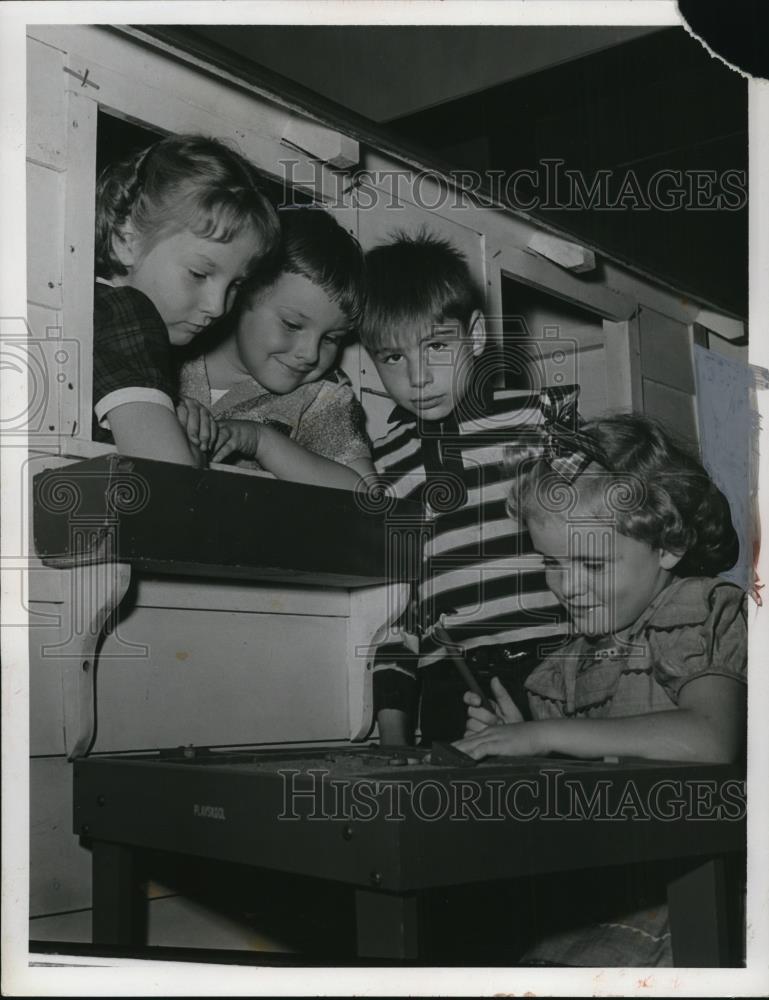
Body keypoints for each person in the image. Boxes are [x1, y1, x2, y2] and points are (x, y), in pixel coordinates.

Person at [455, 413, 747, 967]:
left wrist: (539, 735)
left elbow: (711, 739)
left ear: (667, 546)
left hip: (702, 897)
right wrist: (509, 745)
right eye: (551, 563)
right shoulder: (567, 666)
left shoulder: (697, 610)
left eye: (591, 562)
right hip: (611, 899)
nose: (567, 586)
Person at [360, 229, 578, 746]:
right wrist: (393, 731)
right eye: (393, 358)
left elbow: (602, 555)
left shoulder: (543, 420)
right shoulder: (383, 464)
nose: (417, 376)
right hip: (449, 692)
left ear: (475, 336)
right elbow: (399, 613)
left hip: (558, 670)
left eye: (436, 345)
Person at [93, 133, 280, 464]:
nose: (218, 306)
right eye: (199, 273)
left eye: (236, 283)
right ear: (126, 240)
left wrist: (169, 410)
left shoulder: (92, 308)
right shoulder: (128, 312)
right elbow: (169, 480)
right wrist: (191, 451)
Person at [176, 207, 374, 489]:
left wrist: (262, 442)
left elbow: (366, 495)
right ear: (242, 294)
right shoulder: (173, 352)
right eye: (292, 325)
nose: (310, 354)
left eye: (331, 338)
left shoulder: (321, 393)